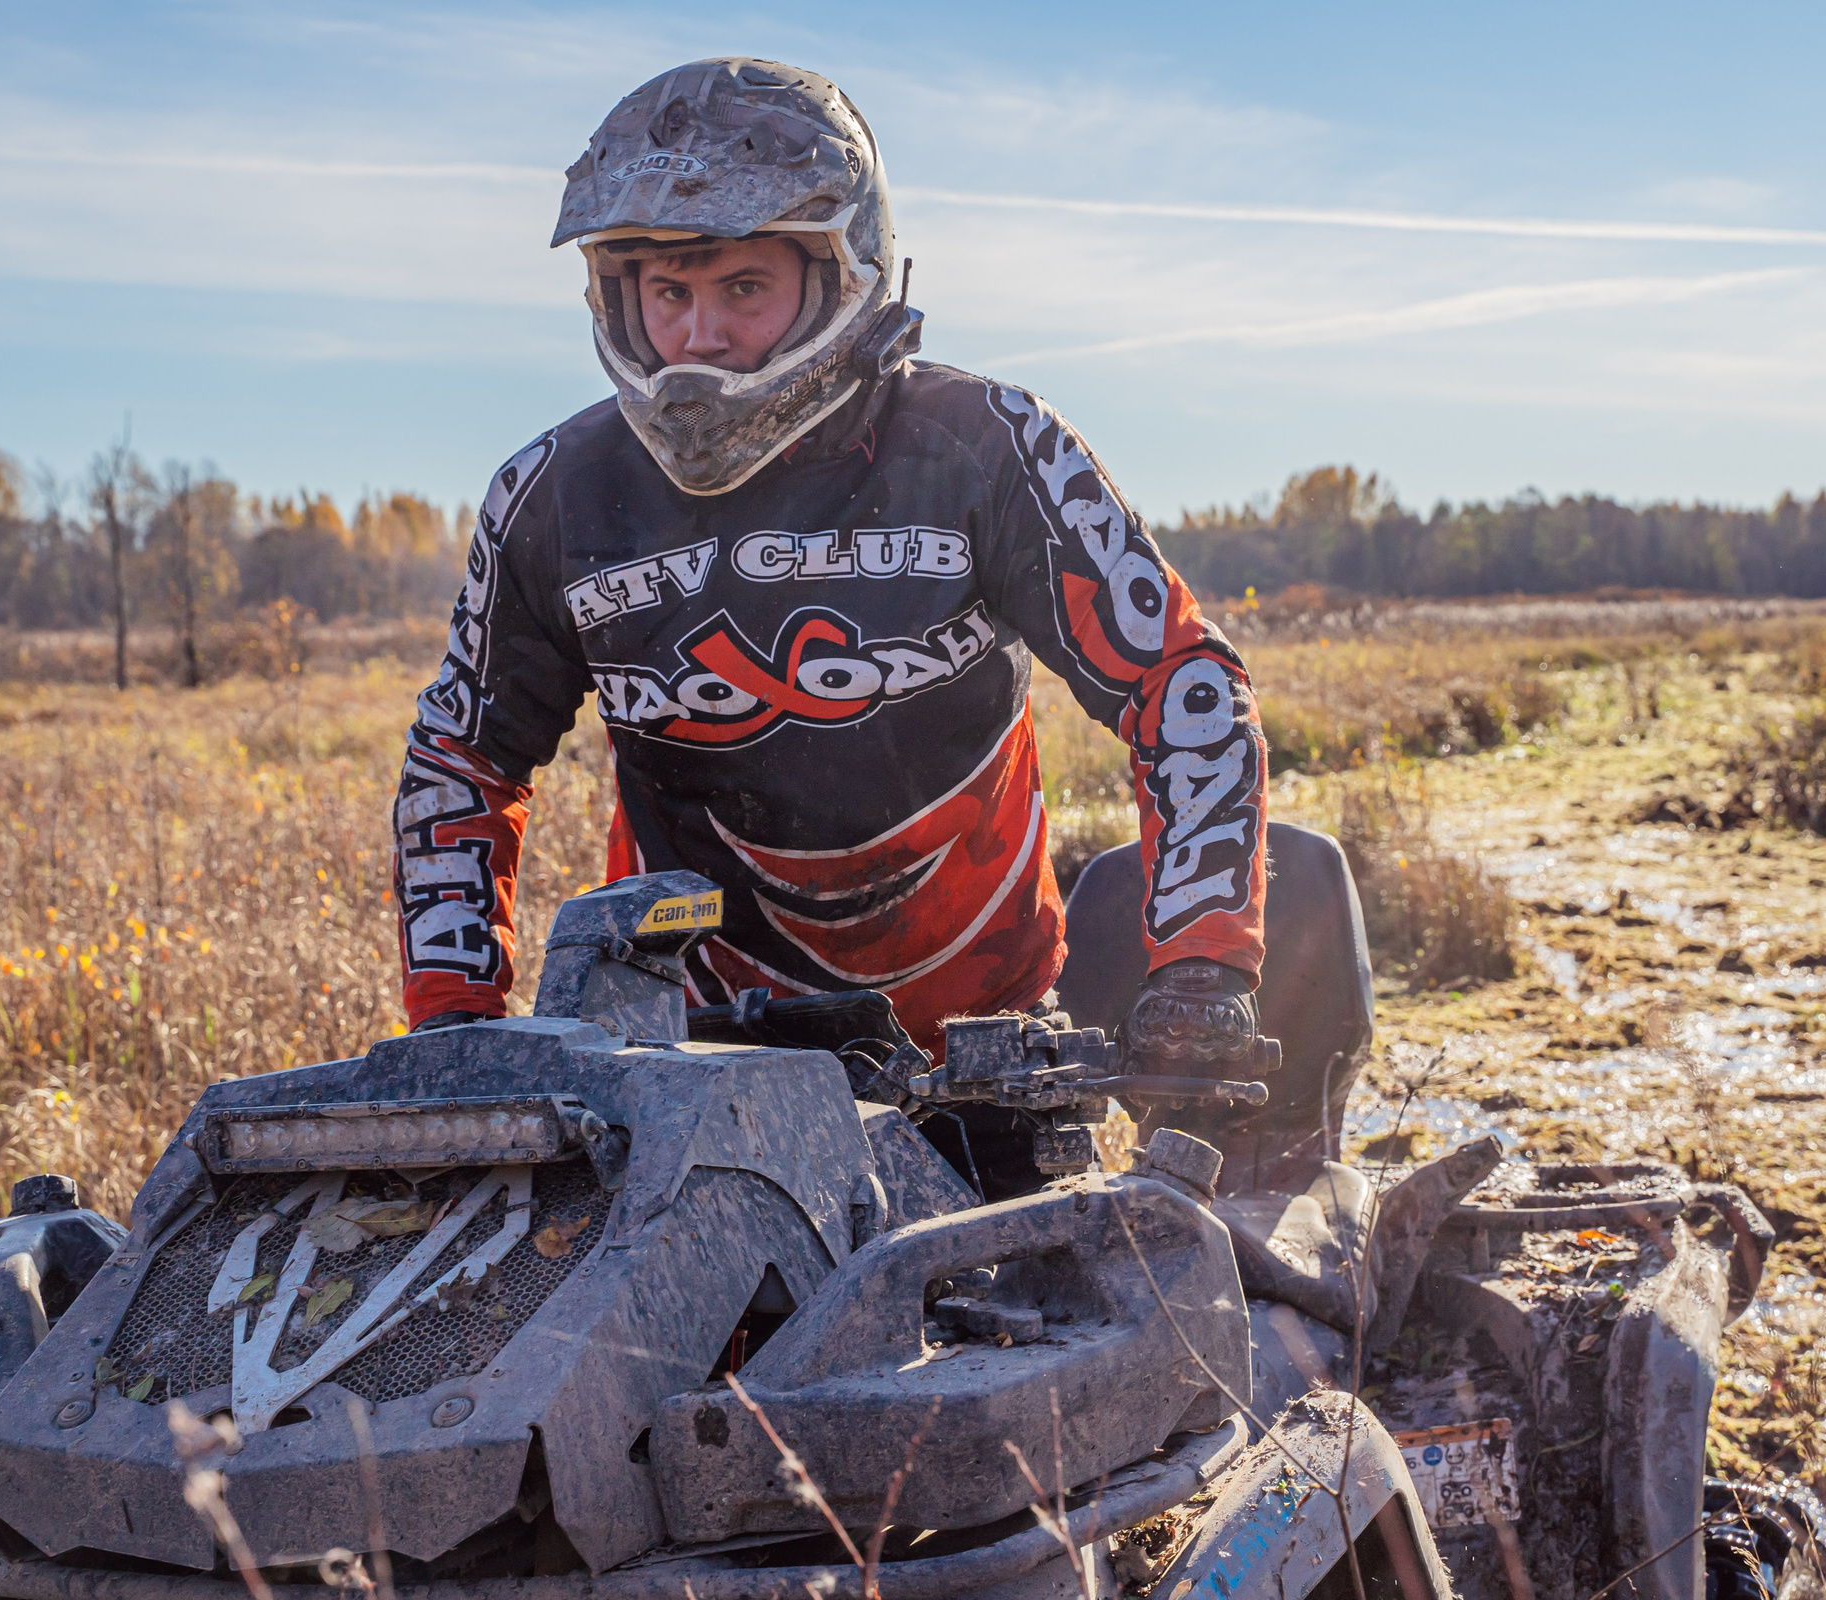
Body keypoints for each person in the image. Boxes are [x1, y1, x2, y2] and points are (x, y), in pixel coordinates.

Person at [393, 56, 1268, 1091]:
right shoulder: (552, 491)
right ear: (613, 294)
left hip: (983, 1049)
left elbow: (1178, 680)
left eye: (744, 286)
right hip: (691, 1054)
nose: (698, 334)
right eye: (667, 291)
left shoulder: (984, 444)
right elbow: (462, 761)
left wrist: (1202, 963)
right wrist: (455, 1031)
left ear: (843, 272)